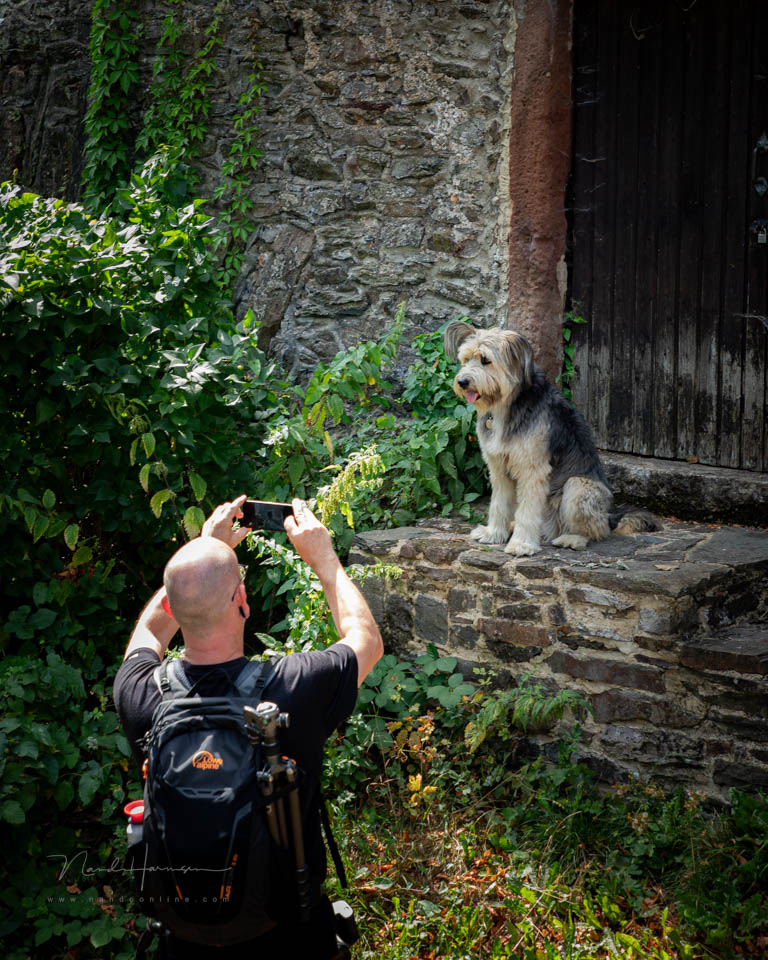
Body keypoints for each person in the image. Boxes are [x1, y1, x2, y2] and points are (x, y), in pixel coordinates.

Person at [113, 495, 383, 960]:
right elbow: (365, 640)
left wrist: (203, 546)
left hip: (184, 943)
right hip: (289, 938)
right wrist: (325, 558)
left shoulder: (142, 697)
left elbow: (148, 635)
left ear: (175, 611)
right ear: (242, 599)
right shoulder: (295, 686)